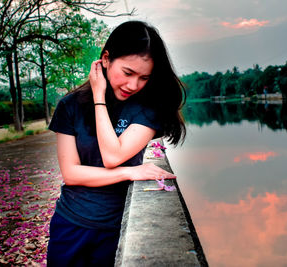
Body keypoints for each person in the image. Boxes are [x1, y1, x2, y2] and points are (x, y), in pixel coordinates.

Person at [47, 20, 186, 266]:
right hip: (70, 225)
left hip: (117, 226)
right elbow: (71, 173)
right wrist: (130, 172)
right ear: (106, 59)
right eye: (128, 73)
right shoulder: (69, 106)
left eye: (144, 77)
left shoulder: (146, 108)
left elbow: (113, 155)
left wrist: (98, 99)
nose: (133, 85)